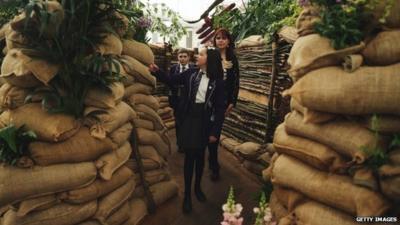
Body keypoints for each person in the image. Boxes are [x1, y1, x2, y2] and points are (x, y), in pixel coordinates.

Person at [149, 47, 226, 214]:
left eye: (202, 54)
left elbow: (220, 109)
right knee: (190, 157)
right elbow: (172, 80)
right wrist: (157, 72)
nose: (197, 56)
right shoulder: (191, 73)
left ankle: (198, 187)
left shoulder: (218, 82)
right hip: (189, 119)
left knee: (200, 156)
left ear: (210, 60)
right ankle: (187, 197)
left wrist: (215, 132)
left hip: (204, 122)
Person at [208, 28, 240, 181]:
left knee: (215, 134)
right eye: (218, 38)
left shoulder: (232, 58)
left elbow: (236, 82)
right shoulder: (210, 55)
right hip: (208, 100)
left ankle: (214, 167)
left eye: (223, 38)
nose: (220, 40)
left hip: (222, 103)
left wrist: (232, 102)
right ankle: (210, 162)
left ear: (228, 41)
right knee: (208, 133)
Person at [168, 48, 195, 153]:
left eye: (185, 56)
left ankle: (187, 143)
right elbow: (170, 83)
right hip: (177, 99)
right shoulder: (174, 68)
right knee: (178, 122)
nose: (182, 59)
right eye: (180, 57)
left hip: (188, 100)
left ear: (188, 58)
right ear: (177, 57)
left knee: (188, 122)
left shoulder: (193, 68)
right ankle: (180, 143)